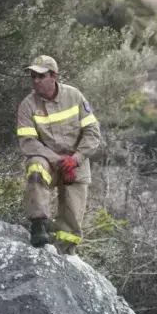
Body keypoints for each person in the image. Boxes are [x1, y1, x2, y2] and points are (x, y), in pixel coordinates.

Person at [15, 54, 101, 255]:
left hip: (76, 164)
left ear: (53, 76)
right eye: (32, 76)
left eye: (40, 76)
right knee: (36, 166)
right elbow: (28, 143)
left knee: (71, 221)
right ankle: (38, 224)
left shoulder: (74, 96)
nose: (35, 81)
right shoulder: (27, 105)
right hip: (49, 162)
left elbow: (92, 133)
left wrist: (75, 160)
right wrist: (59, 160)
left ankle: (63, 254)